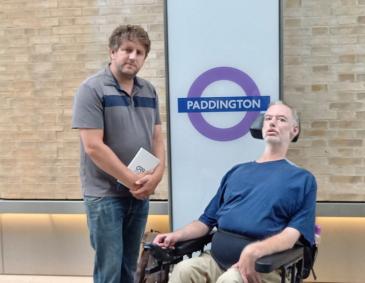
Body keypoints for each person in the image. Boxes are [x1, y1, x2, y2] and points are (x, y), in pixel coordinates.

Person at [154, 101, 317, 283]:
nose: (272, 123)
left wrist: (254, 250)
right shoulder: (237, 172)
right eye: (268, 118)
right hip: (216, 261)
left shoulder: (302, 180)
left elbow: (290, 237)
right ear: (261, 126)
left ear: (294, 130)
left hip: (262, 266)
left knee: (231, 280)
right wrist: (176, 235)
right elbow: (205, 222)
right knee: (184, 270)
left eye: (281, 120)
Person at [72, 25, 165, 283]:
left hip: (139, 194)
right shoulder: (92, 89)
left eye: (139, 52)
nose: (133, 56)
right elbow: (93, 146)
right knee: (110, 270)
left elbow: (157, 136)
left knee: (129, 267)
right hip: (105, 196)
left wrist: (157, 176)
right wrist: (131, 180)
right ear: (113, 52)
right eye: (127, 50)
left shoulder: (149, 90)